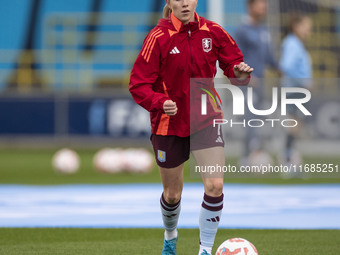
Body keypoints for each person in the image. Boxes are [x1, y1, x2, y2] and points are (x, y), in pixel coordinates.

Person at [129, 0, 253, 254]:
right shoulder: (158, 37)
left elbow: (233, 65)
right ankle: (170, 235)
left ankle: (205, 250)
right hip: (168, 124)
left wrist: (240, 74)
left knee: (215, 185)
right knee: (172, 194)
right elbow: (138, 84)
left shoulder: (213, 31)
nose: (184, 3)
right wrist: (160, 102)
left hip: (206, 118)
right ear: (169, 2)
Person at [234, 0, 278, 164]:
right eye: (261, 4)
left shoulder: (264, 30)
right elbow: (235, 57)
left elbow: (269, 57)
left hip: (262, 83)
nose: (264, 7)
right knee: (250, 117)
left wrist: (280, 69)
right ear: (251, 6)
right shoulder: (242, 31)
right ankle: (253, 153)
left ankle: (246, 156)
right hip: (248, 83)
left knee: (256, 118)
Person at [280, 13, 313, 166]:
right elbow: (286, 66)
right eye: (306, 26)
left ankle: (290, 155)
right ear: (296, 27)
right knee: (293, 124)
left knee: (296, 124)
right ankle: (287, 157)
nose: (309, 30)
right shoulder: (292, 43)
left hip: (297, 89)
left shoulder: (295, 43)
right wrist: (302, 81)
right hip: (295, 89)